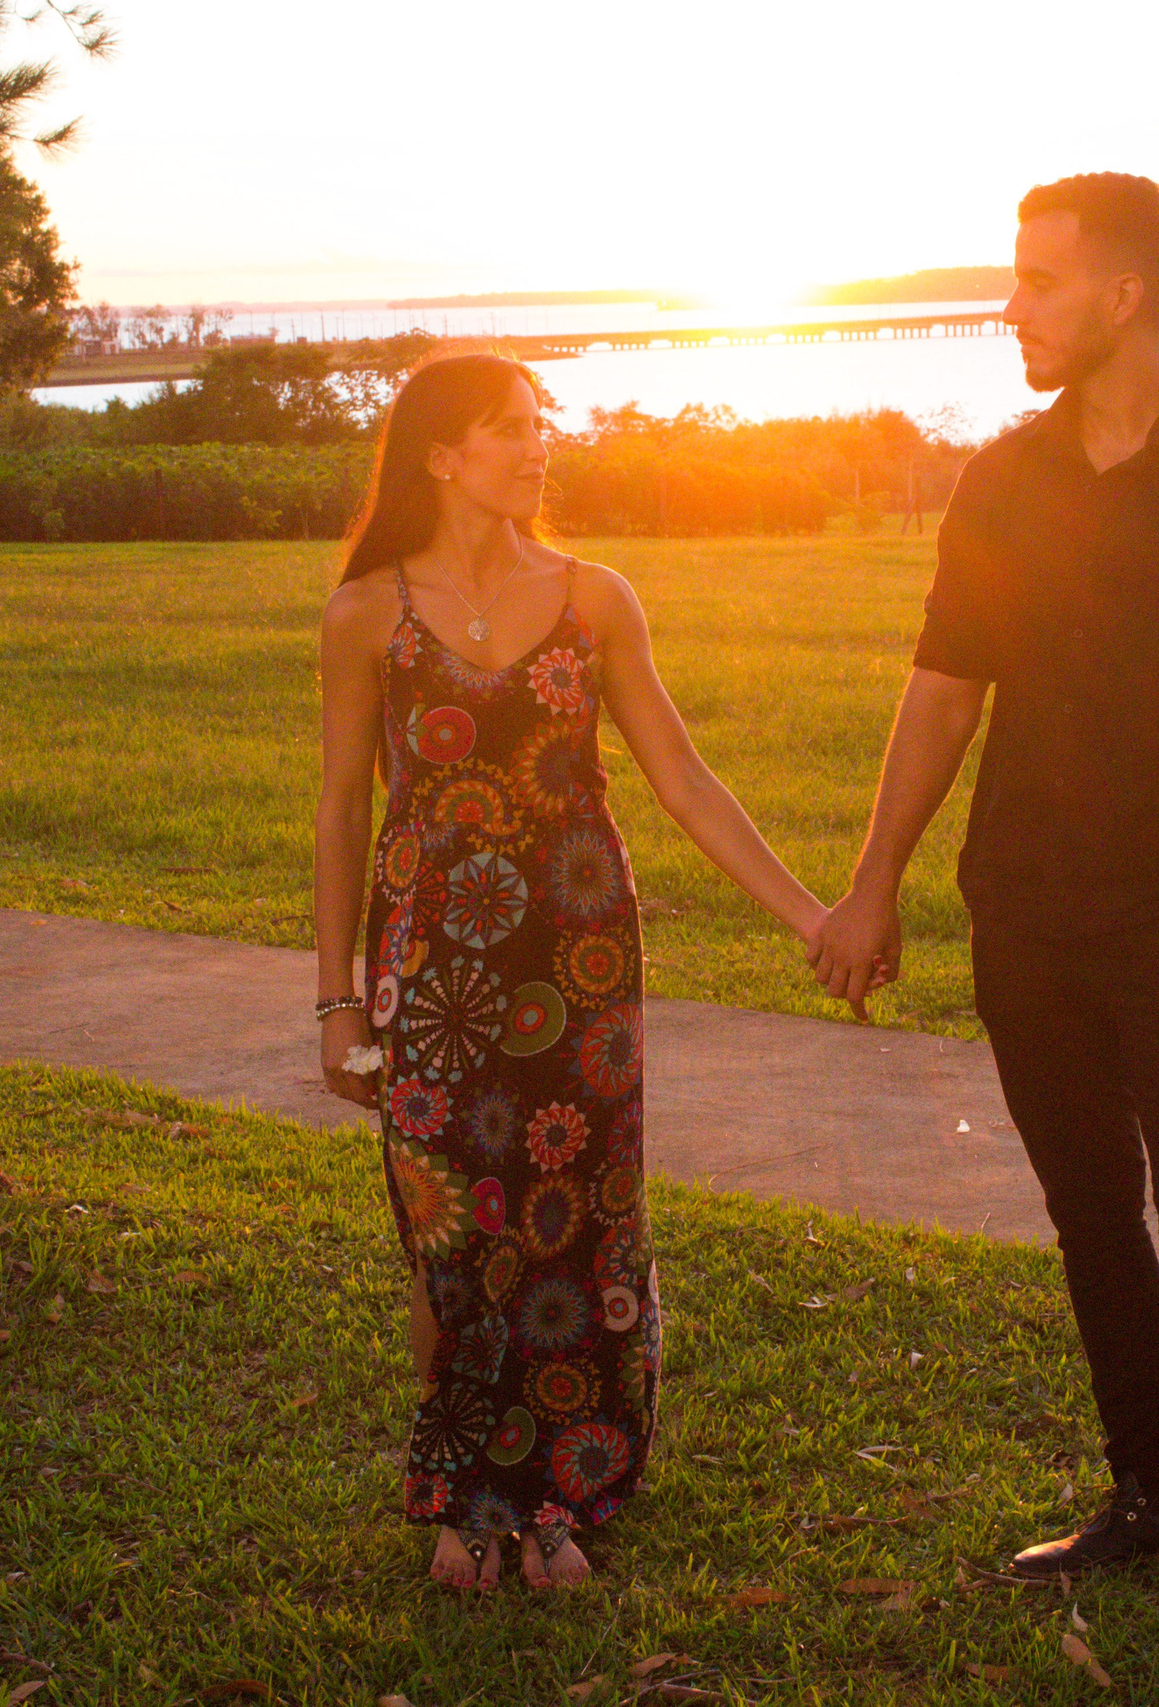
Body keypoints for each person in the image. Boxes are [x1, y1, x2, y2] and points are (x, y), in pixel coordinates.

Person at [809, 174, 1159, 1699]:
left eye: (1038, 280)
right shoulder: (1003, 481)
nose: (1011, 305)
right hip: (1029, 914)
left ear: (1126, 295)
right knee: (1091, 1220)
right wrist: (875, 882)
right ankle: (1150, 1490)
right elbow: (942, 690)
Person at [314, 354, 826, 1594]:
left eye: (541, 428)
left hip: (581, 954)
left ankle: (559, 1491)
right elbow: (340, 810)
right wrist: (334, 999)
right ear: (441, 455)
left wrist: (812, 917)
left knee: (574, 1224)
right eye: (510, 431)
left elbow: (684, 781)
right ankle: (463, 1485)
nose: (539, 449)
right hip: (430, 963)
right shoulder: (365, 614)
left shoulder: (597, 600)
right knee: (449, 1220)